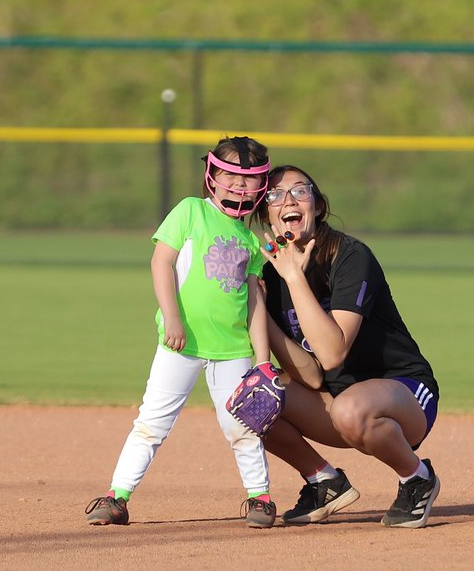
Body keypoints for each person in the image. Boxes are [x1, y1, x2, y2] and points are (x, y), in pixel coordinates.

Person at [85, 136, 279, 528]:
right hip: (181, 343)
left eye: (249, 179)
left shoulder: (250, 240)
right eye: (231, 176)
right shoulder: (191, 211)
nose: (240, 186)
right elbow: (162, 262)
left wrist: (262, 359)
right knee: (152, 422)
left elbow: (255, 303)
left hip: (233, 348)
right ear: (213, 175)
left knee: (243, 427)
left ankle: (260, 498)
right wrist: (171, 316)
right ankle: (117, 496)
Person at [255, 165, 441, 528]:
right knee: (254, 399)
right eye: (275, 196)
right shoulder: (273, 276)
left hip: (404, 393)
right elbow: (310, 376)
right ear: (267, 216)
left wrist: (294, 277)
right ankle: (324, 481)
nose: (288, 200)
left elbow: (333, 354)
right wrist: (263, 311)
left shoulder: (350, 256)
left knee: (350, 409)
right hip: (338, 401)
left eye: (300, 191)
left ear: (318, 205)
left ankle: (416, 477)